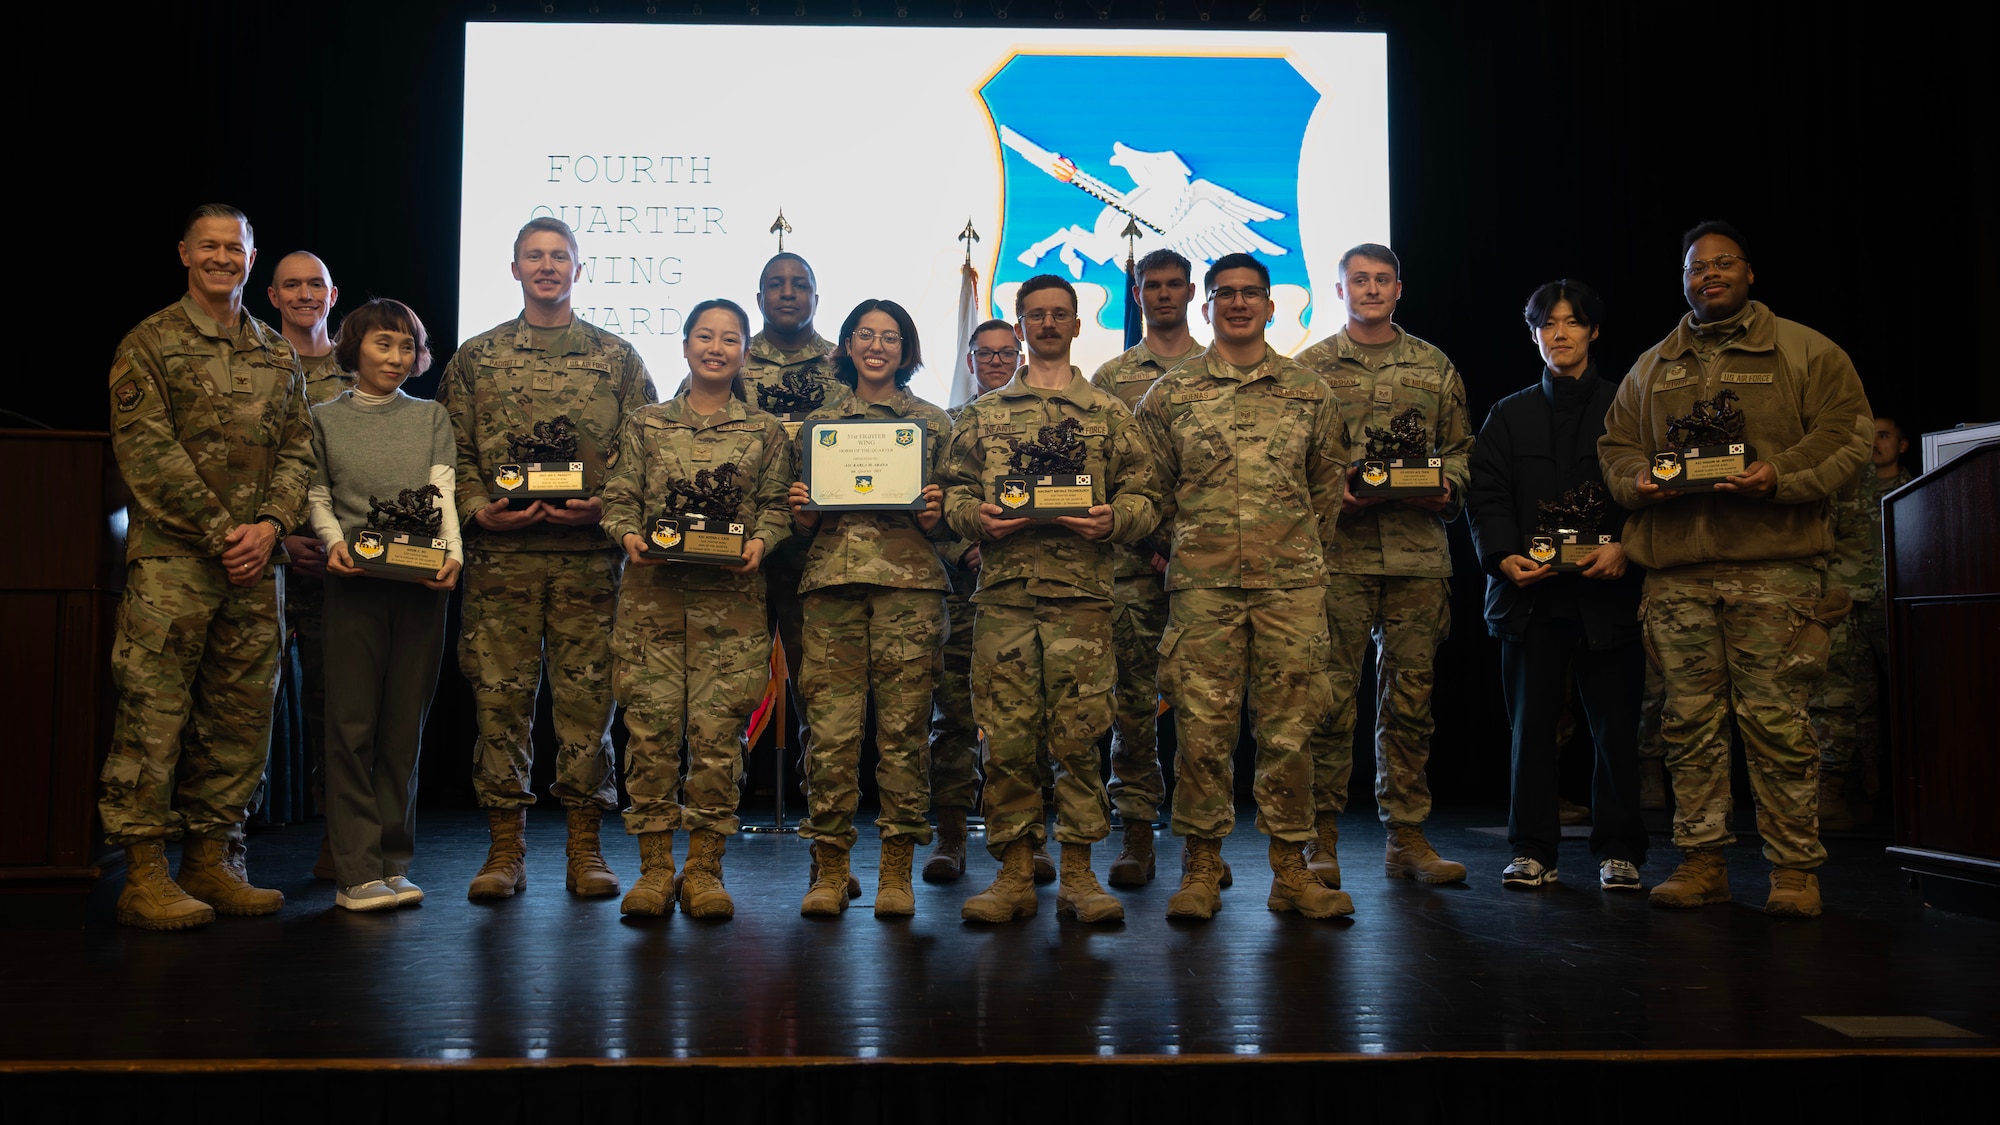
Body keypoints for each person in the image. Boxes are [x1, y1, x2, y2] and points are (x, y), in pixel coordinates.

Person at [1598, 220, 1870, 917]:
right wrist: (1638, 482)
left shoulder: (1806, 351)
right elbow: (1616, 445)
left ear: (1749, 273)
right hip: (1677, 576)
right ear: (1684, 281)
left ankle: (1794, 871)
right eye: (1696, 267)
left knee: (1778, 724)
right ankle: (1702, 862)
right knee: (1687, 724)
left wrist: (1779, 473)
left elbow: (1847, 434)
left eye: (1723, 263)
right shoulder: (1653, 364)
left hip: (1773, 572)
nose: (1709, 275)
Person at [99, 204, 312, 930]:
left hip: (256, 569)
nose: (223, 257)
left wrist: (270, 526)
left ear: (252, 258)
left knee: (240, 719)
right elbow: (148, 455)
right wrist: (228, 534)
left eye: (235, 247)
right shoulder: (149, 343)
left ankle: (213, 860)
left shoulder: (276, 353)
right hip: (176, 566)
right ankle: (144, 875)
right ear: (185, 254)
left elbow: (300, 451)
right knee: (154, 717)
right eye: (209, 246)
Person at [438, 217, 656, 902]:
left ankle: (585, 847)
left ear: (578, 270)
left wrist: (605, 507)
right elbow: (450, 451)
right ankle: (505, 849)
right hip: (500, 562)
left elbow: (644, 453)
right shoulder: (477, 357)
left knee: (588, 709)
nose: (547, 266)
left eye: (560, 256)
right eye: (534, 256)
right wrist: (477, 507)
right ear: (514, 269)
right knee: (499, 706)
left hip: (588, 563)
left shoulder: (617, 359)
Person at [1133, 252, 1353, 921]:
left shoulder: (1310, 391)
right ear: (1206, 307)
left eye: (1249, 293)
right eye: (1224, 293)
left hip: (1291, 589)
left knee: (1291, 732)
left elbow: (1326, 491)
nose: (1237, 303)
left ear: (1269, 305)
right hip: (1204, 589)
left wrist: (1292, 549)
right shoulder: (1170, 395)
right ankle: (1201, 868)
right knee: (1201, 733)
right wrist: (1187, 546)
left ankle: (1291, 869)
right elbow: (1148, 490)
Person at [942, 274, 1160, 924]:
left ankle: (1080, 876)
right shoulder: (982, 416)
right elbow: (950, 493)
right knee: (1007, 742)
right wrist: (976, 517)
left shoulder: (1109, 415)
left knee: (1080, 739)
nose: (1047, 323)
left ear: (1076, 324)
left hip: (1081, 604)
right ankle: (1013, 872)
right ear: (1019, 326)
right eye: (1035, 315)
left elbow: (1147, 497)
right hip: (1005, 602)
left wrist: (1114, 520)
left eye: (1059, 314)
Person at [600, 298, 793, 919]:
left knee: (717, 740)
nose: (716, 348)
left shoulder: (765, 431)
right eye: (704, 336)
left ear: (745, 353)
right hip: (651, 606)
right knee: (650, 736)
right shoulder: (644, 424)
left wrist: (761, 543)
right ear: (685, 346)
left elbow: (776, 506)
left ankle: (705, 870)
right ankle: (656, 871)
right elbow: (618, 497)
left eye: (730, 339)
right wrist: (629, 536)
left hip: (730, 609)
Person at [1295, 242, 1474, 888]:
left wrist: (1445, 486)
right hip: (1337, 558)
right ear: (1339, 291)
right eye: (1359, 280)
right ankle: (1321, 838)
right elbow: (1292, 462)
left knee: (1411, 703)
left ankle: (1407, 836)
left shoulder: (1434, 366)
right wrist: (1330, 494)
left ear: (1399, 289)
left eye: (1382, 279)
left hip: (1417, 559)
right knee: (1329, 701)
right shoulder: (1310, 369)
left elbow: (1460, 451)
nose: (1371, 289)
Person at [1467, 280, 1648, 891]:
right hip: (1530, 595)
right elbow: (1487, 494)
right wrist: (1502, 557)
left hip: (1609, 592)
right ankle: (1531, 850)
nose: (1560, 333)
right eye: (1548, 324)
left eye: (1572, 322)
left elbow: (1651, 490)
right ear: (1534, 335)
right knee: (1531, 731)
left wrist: (1627, 547)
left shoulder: (1628, 406)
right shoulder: (1508, 414)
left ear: (1594, 331)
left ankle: (1620, 850)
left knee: (1616, 731)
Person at [790, 300, 952, 917]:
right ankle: (830, 870)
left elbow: (958, 521)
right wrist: (803, 514)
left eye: (890, 336)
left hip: (909, 593)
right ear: (848, 345)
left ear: (906, 350)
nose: (877, 346)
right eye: (865, 334)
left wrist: (937, 516)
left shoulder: (933, 424)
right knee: (830, 736)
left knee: (904, 734)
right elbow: (796, 523)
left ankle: (895, 873)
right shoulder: (818, 425)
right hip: (831, 590)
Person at [305, 299, 461, 911]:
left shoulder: (431, 416)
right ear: (354, 348)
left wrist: (453, 557)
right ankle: (355, 872)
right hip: (355, 585)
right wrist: (333, 543)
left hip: (423, 589)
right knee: (351, 728)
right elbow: (317, 495)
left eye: (406, 346)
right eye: (383, 344)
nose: (396, 357)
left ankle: (392, 862)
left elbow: (442, 492)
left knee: (403, 730)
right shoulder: (322, 418)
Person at [1087, 248, 1204, 887]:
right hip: (1132, 565)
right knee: (1132, 707)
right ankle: (1136, 836)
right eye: (1151, 285)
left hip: (1205, 568)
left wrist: (1180, 543)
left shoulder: (1217, 371)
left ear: (1191, 293)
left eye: (1174, 285)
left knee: (1203, 713)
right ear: (1136, 295)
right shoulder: (1111, 378)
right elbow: (1098, 473)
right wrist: (1150, 538)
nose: (1163, 295)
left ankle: (1201, 845)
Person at [264, 250, 352, 878]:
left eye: (314, 284)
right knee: (242, 707)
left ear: (332, 294)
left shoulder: (358, 371)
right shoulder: (255, 363)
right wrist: (281, 541)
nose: (304, 294)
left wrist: (343, 544)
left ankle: (337, 837)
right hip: (261, 564)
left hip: (338, 572)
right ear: (272, 296)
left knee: (336, 709)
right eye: (291, 285)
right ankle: (225, 845)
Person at [923, 319, 1019, 882]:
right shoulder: (946, 426)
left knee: (1022, 722)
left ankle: (1024, 840)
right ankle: (951, 834)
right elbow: (927, 507)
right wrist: (965, 550)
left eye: (1007, 353)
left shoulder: (1043, 420)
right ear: (970, 361)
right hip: (962, 594)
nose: (997, 362)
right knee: (953, 719)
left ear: (1020, 356)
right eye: (986, 354)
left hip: (1023, 592)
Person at [1811, 416, 1913, 829]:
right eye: (1869, 435)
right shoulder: (1844, 486)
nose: (1875, 443)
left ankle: (1914, 798)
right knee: (1847, 702)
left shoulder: (1917, 487)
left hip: (1899, 603)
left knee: (1911, 700)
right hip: (1848, 604)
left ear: (1902, 445)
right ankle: (1853, 793)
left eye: (1884, 435)